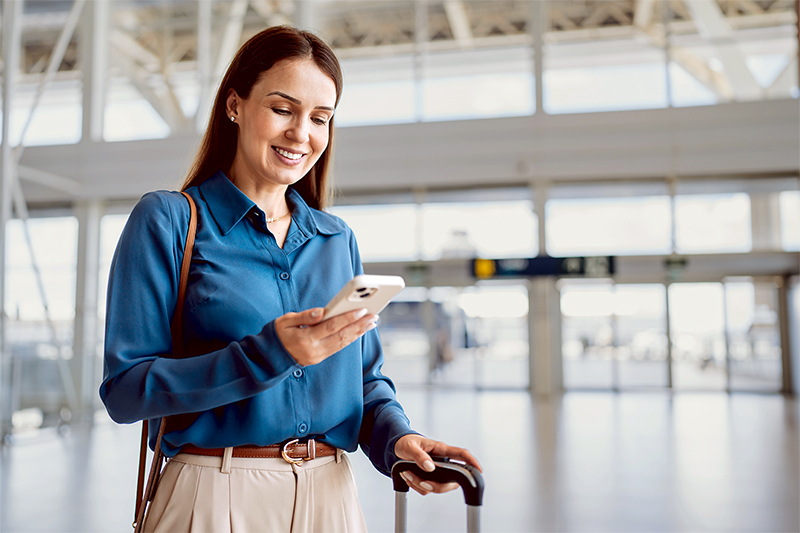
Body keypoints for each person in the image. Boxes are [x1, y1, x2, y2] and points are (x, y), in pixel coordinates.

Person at [100, 25, 481, 532]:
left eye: (320, 118)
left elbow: (365, 383)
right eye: (283, 109)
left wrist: (397, 441)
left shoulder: (335, 239)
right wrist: (269, 354)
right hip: (214, 493)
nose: (302, 133)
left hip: (331, 496)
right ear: (234, 105)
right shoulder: (169, 221)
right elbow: (126, 392)